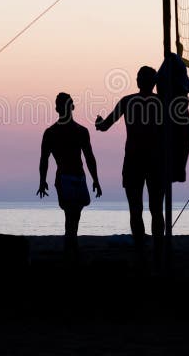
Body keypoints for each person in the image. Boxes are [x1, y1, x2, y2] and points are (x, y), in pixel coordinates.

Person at [96, 66, 164, 264]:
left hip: (135, 160)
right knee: (156, 209)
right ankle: (157, 251)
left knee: (136, 209)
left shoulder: (128, 101)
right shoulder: (162, 102)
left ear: (140, 81)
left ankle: (142, 252)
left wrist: (99, 121)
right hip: (154, 161)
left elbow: (104, 126)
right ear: (153, 83)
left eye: (138, 77)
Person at [37, 93, 102, 259]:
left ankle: (71, 246)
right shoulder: (52, 132)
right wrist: (42, 180)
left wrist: (95, 179)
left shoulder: (77, 131)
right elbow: (44, 159)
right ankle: (71, 248)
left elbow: (89, 157)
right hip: (65, 177)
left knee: (74, 215)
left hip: (77, 177)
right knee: (71, 215)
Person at [157, 52, 189, 183]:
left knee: (179, 150)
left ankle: (176, 172)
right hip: (174, 117)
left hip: (176, 117)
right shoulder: (171, 80)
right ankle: (175, 172)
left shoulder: (176, 81)